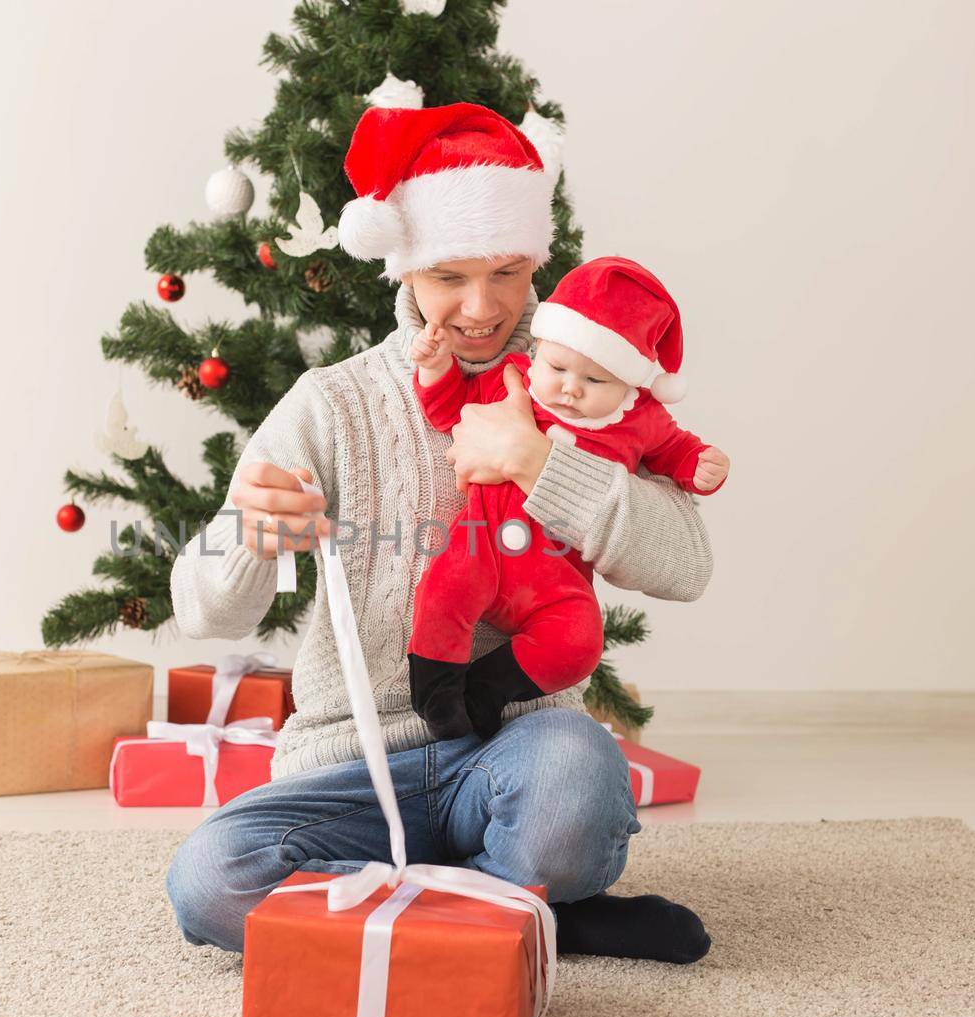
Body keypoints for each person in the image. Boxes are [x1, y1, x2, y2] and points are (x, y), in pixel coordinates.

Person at [165, 102, 713, 963]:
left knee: (575, 783)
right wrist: (247, 535)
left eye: (506, 271)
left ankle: (429, 908)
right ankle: (525, 917)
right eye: (450, 275)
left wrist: (542, 465)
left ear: (536, 259)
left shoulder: (586, 384)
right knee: (208, 880)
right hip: (351, 762)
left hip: (513, 745)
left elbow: (687, 565)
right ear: (406, 269)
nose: (481, 306)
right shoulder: (331, 402)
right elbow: (202, 609)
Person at [406, 255, 730, 741]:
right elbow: (449, 408)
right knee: (446, 590)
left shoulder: (640, 419)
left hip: (556, 574)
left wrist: (699, 463)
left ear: (630, 385)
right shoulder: (514, 378)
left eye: (595, 380)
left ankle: (487, 689)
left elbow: (675, 450)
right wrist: (435, 370)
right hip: (483, 545)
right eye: (557, 367)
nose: (570, 389)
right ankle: (435, 687)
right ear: (539, 351)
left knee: (578, 640)